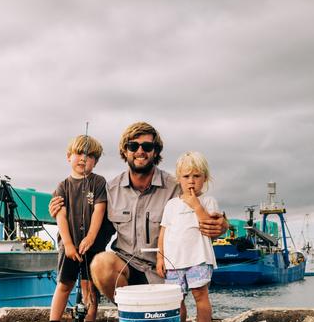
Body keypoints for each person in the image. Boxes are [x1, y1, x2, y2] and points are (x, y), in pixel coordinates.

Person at [49, 122, 227, 300]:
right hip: (126, 265)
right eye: (133, 146)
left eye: (147, 146)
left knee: (171, 320)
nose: (140, 151)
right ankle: (128, 308)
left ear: (155, 151)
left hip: (163, 270)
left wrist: (222, 225)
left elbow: (205, 207)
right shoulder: (111, 189)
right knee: (101, 264)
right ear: (125, 151)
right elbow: (92, 223)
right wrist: (59, 211)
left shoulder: (176, 187)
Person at [45, 134, 112, 322]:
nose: (84, 158)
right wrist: (69, 245)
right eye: (79, 153)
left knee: (90, 287)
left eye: (90, 155)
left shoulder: (99, 182)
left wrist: (91, 238)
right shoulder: (62, 186)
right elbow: (61, 217)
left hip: (94, 245)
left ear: (96, 161)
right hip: (69, 245)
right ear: (68, 157)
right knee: (64, 284)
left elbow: (99, 210)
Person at [156, 151, 218, 322]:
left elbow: (208, 224)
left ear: (205, 178)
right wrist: (160, 257)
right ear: (179, 179)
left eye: (196, 176)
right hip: (174, 261)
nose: (191, 181)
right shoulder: (172, 204)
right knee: (176, 299)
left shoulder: (208, 202)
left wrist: (196, 205)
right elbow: (163, 232)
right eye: (186, 176)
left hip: (198, 259)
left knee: (200, 295)